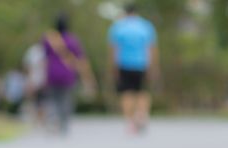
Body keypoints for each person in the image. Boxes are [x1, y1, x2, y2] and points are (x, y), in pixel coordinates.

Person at [108, 4, 159, 134]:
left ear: (125, 13)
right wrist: (153, 67)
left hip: (124, 64)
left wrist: (114, 67)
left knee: (126, 93)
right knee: (142, 91)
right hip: (142, 64)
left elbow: (114, 49)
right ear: (136, 12)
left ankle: (130, 121)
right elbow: (151, 48)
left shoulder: (118, 27)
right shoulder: (146, 26)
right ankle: (142, 115)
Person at [43, 13, 97, 134]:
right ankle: (64, 124)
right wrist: (88, 78)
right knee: (66, 99)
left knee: (53, 99)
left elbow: (45, 59)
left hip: (52, 73)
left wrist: (44, 75)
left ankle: (53, 120)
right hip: (67, 73)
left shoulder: (49, 39)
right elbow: (81, 59)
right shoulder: (73, 40)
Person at [23, 43, 47, 126]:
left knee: (40, 101)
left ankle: (40, 120)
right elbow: (28, 67)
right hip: (35, 80)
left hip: (40, 81)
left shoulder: (45, 51)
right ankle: (36, 120)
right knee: (35, 101)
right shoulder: (34, 51)